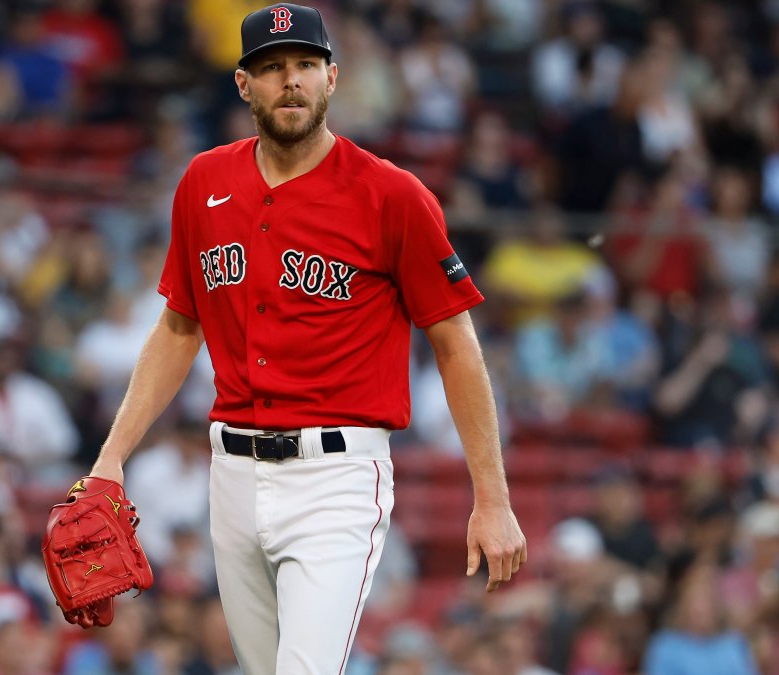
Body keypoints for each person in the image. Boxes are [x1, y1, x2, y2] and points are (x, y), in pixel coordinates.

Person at [82, 4, 526, 673]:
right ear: (243, 85)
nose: (291, 80)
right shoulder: (204, 181)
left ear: (332, 78)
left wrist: (492, 498)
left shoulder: (391, 195)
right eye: (272, 67)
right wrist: (112, 456)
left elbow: (457, 342)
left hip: (337, 477)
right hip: (230, 472)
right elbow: (178, 326)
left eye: (305, 65)